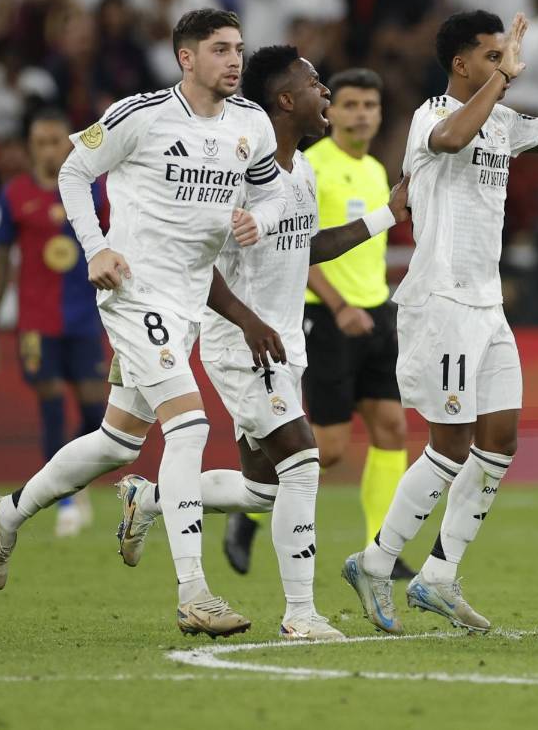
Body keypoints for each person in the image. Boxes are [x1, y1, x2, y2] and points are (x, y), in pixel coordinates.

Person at [0, 8, 289, 639]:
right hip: (133, 292)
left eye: (239, 49)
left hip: (189, 301)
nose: (234, 60)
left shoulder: (252, 123)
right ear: (186, 58)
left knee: (118, 443)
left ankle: (4, 515)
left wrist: (262, 219)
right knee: (190, 425)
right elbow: (72, 170)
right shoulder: (138, 115)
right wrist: (97, 249)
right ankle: (194, 593)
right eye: (221, 49)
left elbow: (271, 188)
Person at [113, 45, 411, 640]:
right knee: (304, 461)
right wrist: (246, 320)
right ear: (285, 100)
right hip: (243, 343)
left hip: (283, 345)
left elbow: (309, 247)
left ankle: (148, 500)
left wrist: (387, 216)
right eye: (316, 85)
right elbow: (202, 258)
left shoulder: (298, 170)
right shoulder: (233, 171)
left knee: (262, 487)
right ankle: (301, 615)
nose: (324, 95)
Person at [342, 11, 538, 635]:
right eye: (493, 55)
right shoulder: (430, 115)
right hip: (441, 300)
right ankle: (374, 561)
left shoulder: (500, 119)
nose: (507, 63)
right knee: (448, 446)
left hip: (486, 305)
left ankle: (440, 577)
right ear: (461, 63)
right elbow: (450, 139)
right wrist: (501, 82)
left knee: (499, 443)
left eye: (505, 55)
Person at [222, 67, 416, 580]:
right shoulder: (310, 164)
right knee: (325, 450)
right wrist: (337, 306)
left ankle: (383, 547)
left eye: (369, 106)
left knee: (393, 428)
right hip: (325, 316)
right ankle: (248, 510)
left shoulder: (375, 169)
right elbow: (297, 250)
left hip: (376, 311)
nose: (358, 113)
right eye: (349, 104)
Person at [0, 109, 110, 536]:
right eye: (40, 142)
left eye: (56, 141)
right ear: (30, 147)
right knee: (52, 407)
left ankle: (72, 477)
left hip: (85, 317)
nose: (49, 150)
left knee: (96, 411)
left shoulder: (92, 190)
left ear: (69, 144)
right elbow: (1, 263)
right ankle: (67, 502)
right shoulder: (14, 194)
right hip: (36, 323)